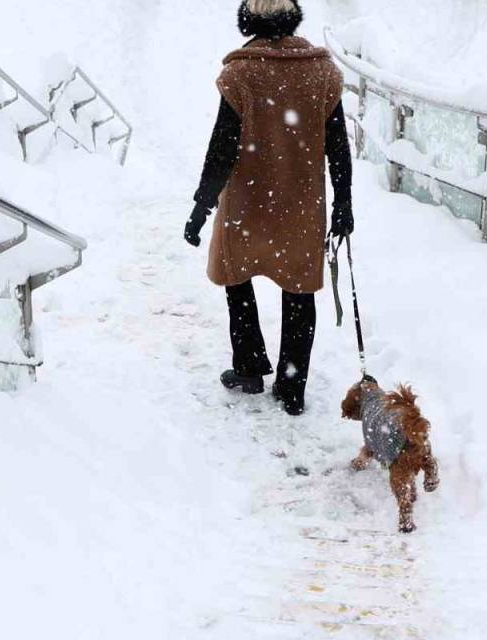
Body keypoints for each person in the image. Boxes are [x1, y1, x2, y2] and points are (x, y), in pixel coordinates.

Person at [184, 0, 353, 416]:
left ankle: (249, 368)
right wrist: (344, 202)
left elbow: (220, 149)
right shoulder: (322, 73)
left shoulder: (241, 74)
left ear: (249, 21)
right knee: (299, 292)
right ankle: (292, 386)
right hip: (301, 205)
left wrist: (202, 206)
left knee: (236, 278)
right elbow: (338, 148)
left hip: (247, 203)